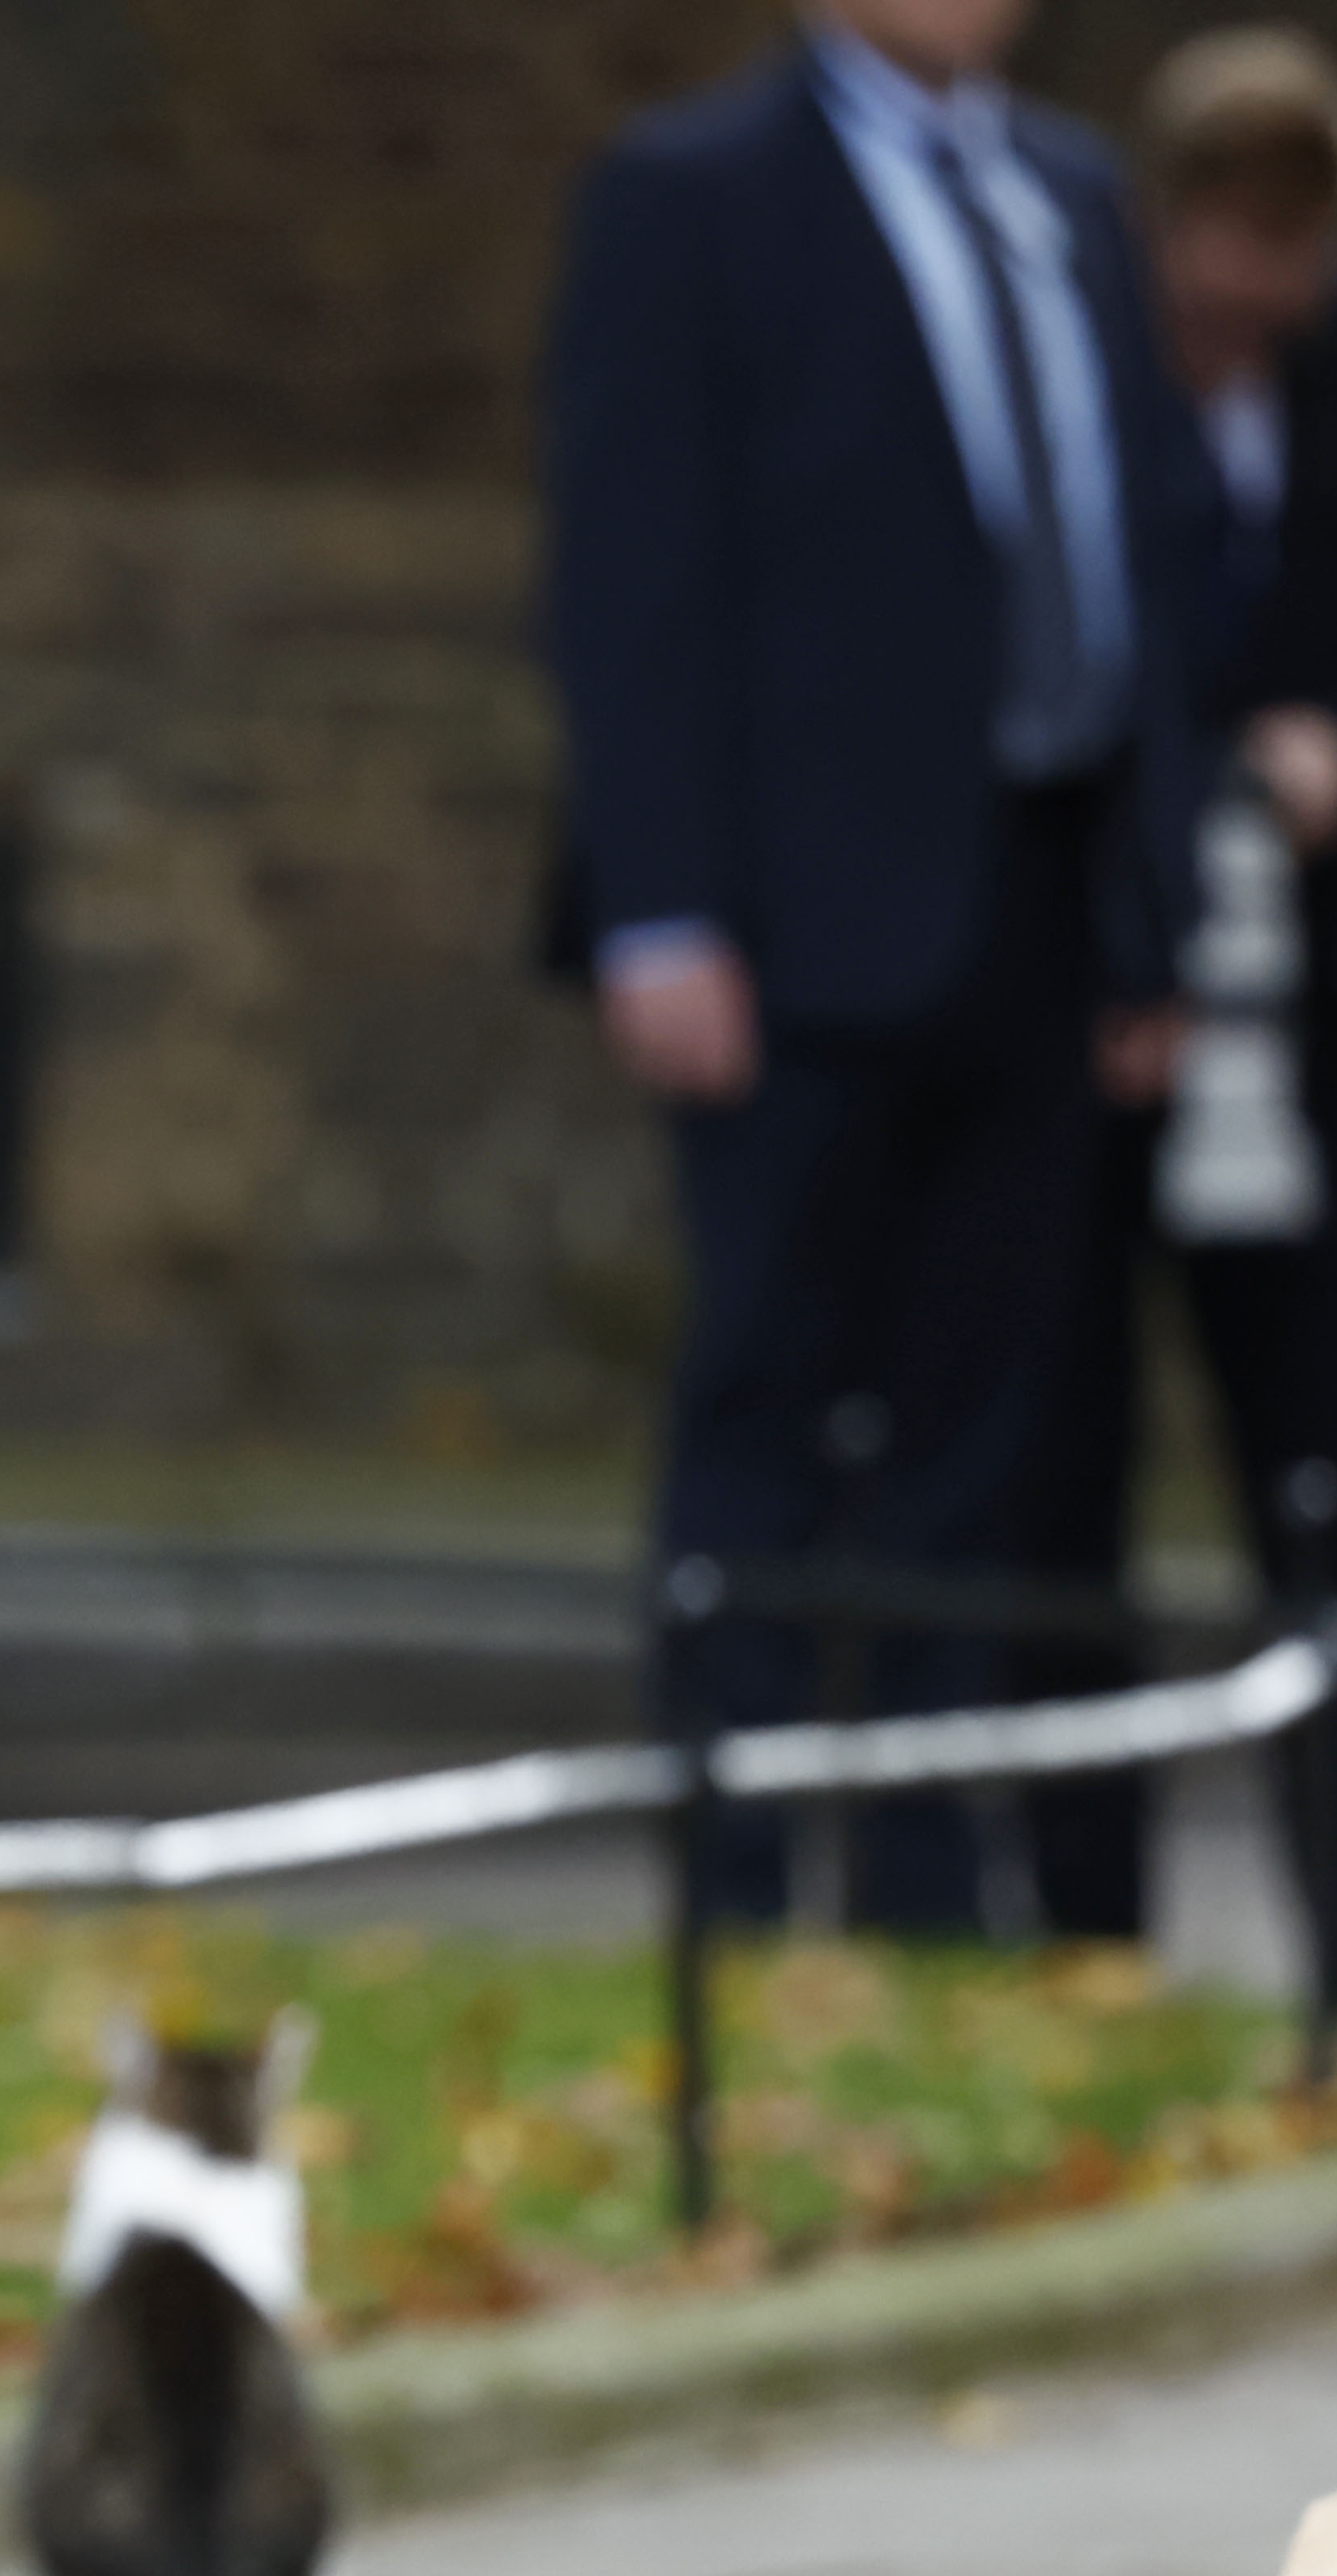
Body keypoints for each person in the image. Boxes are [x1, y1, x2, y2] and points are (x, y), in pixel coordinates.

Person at [540, 0, 1211, 1929]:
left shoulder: (1074, 194)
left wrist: (1149, 915)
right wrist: (658, 906)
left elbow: (1144, 574)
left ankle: (924, 1883)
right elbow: (628, 569)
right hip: (788, 928)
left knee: (974, 1433)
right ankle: (733, 1895)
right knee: (760, 1411)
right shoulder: (693, 196)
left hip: (1038, 905)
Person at [1019, 29, 1337, 2007]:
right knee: (1058, 1497)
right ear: (1163, 228)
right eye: (1231, 247)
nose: (1260, 296)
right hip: (1097, 1032)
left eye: (1295, 256)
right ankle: (1080, 1947)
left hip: (1298, 1032)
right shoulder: (1082, 363)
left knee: (1328, 1497)